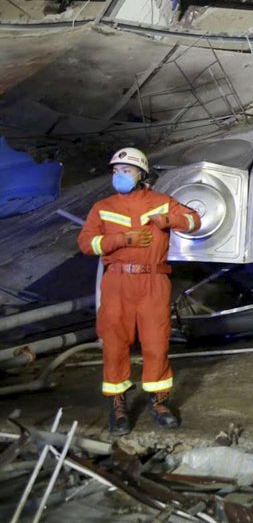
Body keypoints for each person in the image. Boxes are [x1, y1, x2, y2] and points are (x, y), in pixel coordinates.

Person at [77, 147, 201, 436]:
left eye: (126, 171)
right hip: (117, 283)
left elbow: (195, 220)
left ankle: (159, 403)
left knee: (156, 342)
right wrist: (122, 239)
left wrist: (170, 220)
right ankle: (118, 405)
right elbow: (86, 243)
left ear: (141, 174)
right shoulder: (103, 207)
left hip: (153, 282)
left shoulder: (161, 202)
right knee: (115, 343)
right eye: (116, 171)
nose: (119, 176)